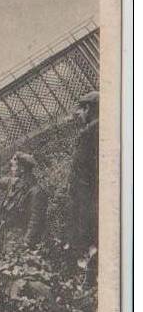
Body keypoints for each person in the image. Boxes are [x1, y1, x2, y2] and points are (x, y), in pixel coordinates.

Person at [0, 152, 49, 255]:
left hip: (20, 238)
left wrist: (26, 244)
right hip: (6, 234)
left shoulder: (36, 192)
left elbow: (35, 222)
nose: (11, 168)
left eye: (13, 166)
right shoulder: (13, 183)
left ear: (22, 169)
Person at [66, 91, 99, 252]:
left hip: (88, 196)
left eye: (79, 109)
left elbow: (83, 169)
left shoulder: (90, 133)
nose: (77, 114)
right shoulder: (97, 129)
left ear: (87, 108)